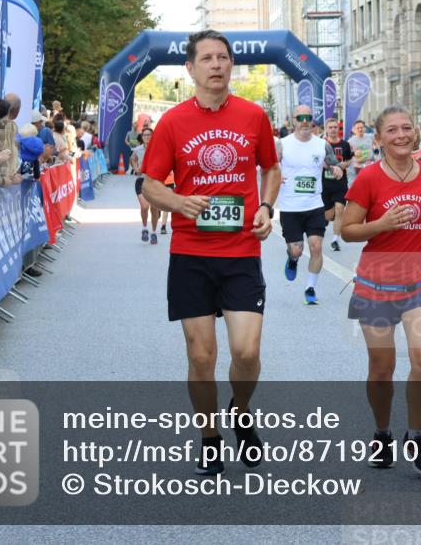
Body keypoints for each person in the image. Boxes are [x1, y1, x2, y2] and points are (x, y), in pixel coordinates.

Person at [140, 30, 280, 476]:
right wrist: (179, 202)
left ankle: (240, 411)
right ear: (191, 68)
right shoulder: (172, 122)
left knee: (246, 350)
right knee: (201, 356)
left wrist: (264, 205)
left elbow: (271, 167)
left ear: (231, 65)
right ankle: (209, 435)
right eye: (207, 58)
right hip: (191, 251)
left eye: (223, 57)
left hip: (241, 249)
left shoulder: (253, 115)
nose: (216, 64)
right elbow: (149, 184)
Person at [341, 106, 421, 476]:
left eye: (407, 128)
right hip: (374, 284)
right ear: (379, 139)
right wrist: (381, 224)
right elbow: (348, 229)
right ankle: (382, 432)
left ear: (416, 132)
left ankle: (416, 435)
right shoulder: (369, 179)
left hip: (420, 281)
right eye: (392, 130)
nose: (402, 134)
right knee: (381, 368)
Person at [278, 105, 342, 305]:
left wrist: (337, 169)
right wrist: (276, 174)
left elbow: (333, 163)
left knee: (316, 247)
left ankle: (310, 288)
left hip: (314, 205)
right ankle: (293, 259)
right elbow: (268, 167)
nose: (304, 121)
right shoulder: (282, 144)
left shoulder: (322, 145)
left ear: (313, 120)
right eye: (300, 118)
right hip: (290, 208)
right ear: (293, 121)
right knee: (296, 249)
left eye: (308, 117)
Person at [322, 117, 353, 252]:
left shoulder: (345, 145)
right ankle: (327, 219)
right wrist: (329, 167)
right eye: (331, 127)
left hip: (340, 184)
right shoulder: (321, 144)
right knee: (328, 216)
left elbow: (349, 160)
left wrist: (343, 165)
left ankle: (335, 240)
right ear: (326, 129)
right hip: (325, 184)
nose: (334, 130)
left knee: (340, 210)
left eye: (336, 127)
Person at [130, 127, 160, 244]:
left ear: (153, 136)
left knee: (154, 208)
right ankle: (144, 228)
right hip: (141, 180)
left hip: (154, 181)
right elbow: (132, 158)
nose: (147, 137)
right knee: (145, 206)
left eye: (149, 135)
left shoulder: (158, 149)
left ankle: (153, 232)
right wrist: (135, 167)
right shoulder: (138, 149)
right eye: (145, 135)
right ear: (142, 137)